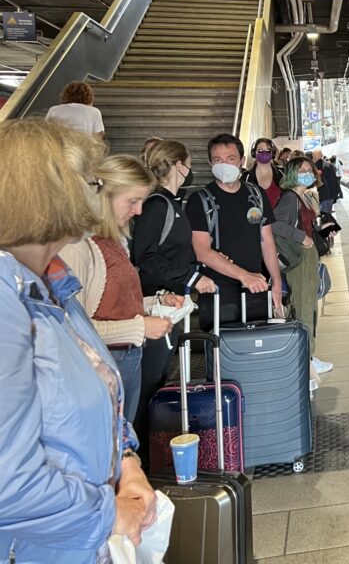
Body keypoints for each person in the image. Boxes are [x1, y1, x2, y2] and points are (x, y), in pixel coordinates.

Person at [0, 119, 157, 562]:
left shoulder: (53, 287)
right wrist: (107, 513)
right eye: (92, 180)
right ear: (50, 193)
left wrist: (127, 464)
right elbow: (7, 483)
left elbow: (94, 392)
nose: (99, 192)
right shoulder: (6, 302)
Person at [61, 156, 180, 423]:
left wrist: (154, 302)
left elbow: (115, 300)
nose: (138, 211)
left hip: (127, 356)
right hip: (103, 362)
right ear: (105, 197)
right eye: (132, 201)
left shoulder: (115, 241)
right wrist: (140, 328)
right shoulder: (77, 248)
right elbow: (71, 330)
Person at [132, 140, 217, 461]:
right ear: (178, 165)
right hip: (156, 303)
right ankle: (139, 459)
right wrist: (191, 278)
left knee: (159, 376)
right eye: (189, 162)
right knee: (149, 381)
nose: (190, 169)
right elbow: (146, 256)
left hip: (170, 302)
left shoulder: (171, 202)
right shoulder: (157, 205)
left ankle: (148, 454)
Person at [186, 133, 284, 328]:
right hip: (217, 293)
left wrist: (277, 282)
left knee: (258, 347)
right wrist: (244, 276)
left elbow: (266, 241)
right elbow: (202, 252)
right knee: (220, 352)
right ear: (209, 163)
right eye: (217, 160)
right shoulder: (200, 201)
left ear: (242, 161)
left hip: (256, 288)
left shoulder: (256, 195)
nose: (224, 164)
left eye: (230, 159)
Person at [275, 157, 332, 374]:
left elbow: (307, 225)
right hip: (300, 259)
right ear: (291, 173)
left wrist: (322, 230)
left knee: (310, 305)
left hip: (309, 255)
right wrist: (301, 237)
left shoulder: (304, 197)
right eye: (301, 170)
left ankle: (309, 354)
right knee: (303, 305)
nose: (307, 173)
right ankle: (305, 358)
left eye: (310, 169)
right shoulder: (290, 198)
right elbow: (275, 224)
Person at [243, 137, 284, 208]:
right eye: (260, 150)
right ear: (254, 153)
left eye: (268, 151)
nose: (264, 153)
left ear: (273, 153)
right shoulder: (246, 176)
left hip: (281, 217)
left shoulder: (282, 173)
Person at [312, 148, 341, 214]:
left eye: (313, 156)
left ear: (315, 156)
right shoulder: (330, 165)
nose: (312, 158)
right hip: (331, 194)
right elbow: (335, 180)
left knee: (323, 215)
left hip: (322, 195)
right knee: (328, 215)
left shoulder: (316, 166)